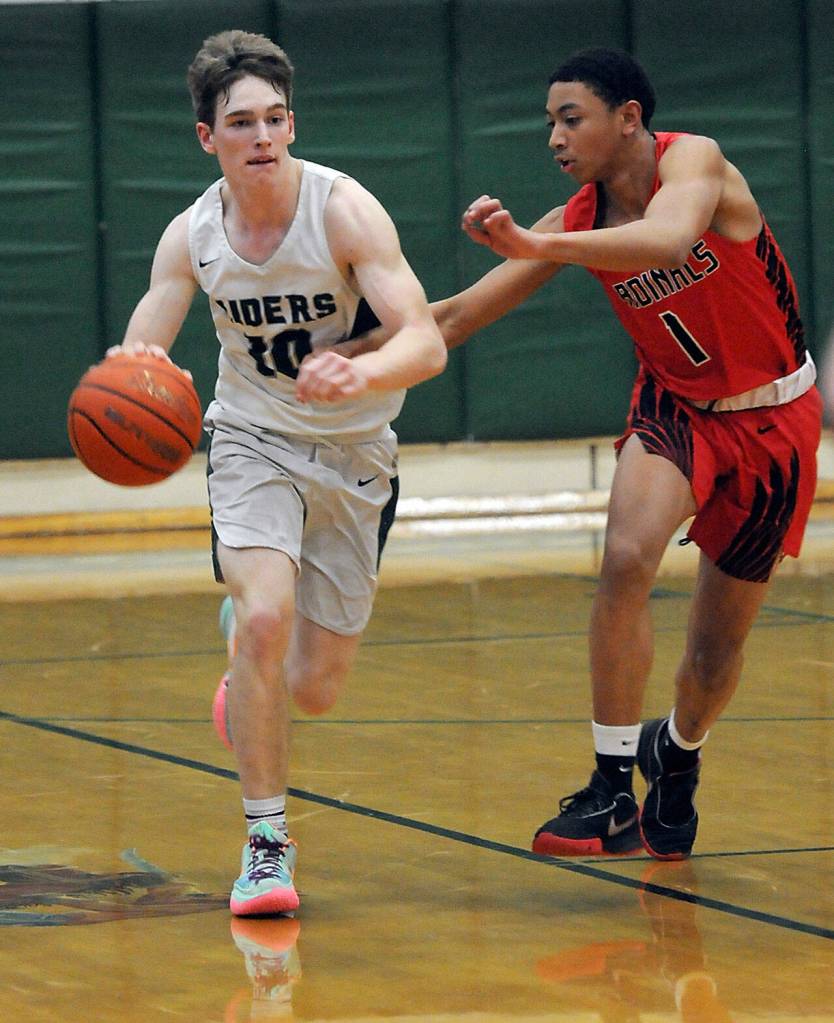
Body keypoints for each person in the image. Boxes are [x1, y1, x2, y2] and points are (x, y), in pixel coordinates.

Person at [351, 47, 821, 860]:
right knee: (626, 556)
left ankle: (677, 749)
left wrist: (540, 247)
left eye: (571, 119)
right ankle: (609, 786)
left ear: (628, 118)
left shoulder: (696, 161)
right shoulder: (572, 220)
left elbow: (667, 241)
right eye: (550, 123)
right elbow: (453, 318)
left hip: (774, 421)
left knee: (713, 658)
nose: (554, 139)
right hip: (676, 408)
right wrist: (326, 357)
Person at [108, 29, 446, 915]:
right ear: (207, 136)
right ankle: (266, 845)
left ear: (291, 123)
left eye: (275, 118)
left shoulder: (342, 211)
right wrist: (129, 378)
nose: (262, 136)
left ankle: (248, 652)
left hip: (354, 453)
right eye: (242, 122)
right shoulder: (193, 235)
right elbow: (147, 341)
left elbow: (424, 341)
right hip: (251, 441)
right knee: (265, 617)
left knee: (314, 688)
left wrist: (363, 373)